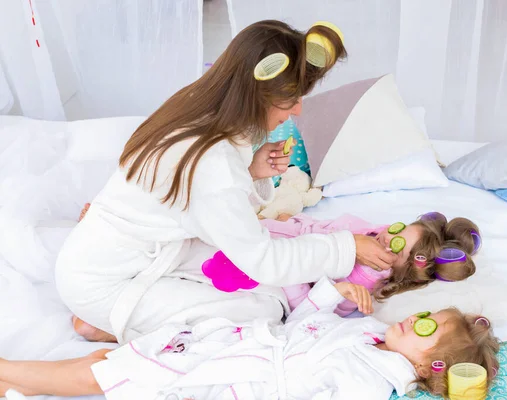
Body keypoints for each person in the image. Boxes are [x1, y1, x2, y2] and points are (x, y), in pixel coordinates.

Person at [55, 20, 397, 346]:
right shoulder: (214, 162)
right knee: (266, 309)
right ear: (256, 93)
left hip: (131, 252)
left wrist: (250, 171)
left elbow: (201, 202)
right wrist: (347, 247)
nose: (297, 110)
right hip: (102, 282)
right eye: (290, 99)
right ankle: (106, 324)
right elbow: (263, 259)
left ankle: (124, 315)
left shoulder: (198, 107)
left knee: (254, 283)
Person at [0, 278, 500, 399]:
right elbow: (298, 325)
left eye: (428, 330)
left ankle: (7, 374)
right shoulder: (368, 334)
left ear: (424, 367)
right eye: (425, 314)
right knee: (122, 361)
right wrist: (329, 295)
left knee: (117, 373)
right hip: (234, 344)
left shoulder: (371, 380)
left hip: (242, 380)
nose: (415, 321)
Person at [230, 211, 480, 315]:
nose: (388, 237)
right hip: (270, 231)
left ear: (399, 269)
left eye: (396, 245)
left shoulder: (360, 282)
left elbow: (312, 306)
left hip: (275, 264)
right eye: (398, 229)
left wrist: (287, 272)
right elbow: (327, 227)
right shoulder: (375, 234)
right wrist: (296, 220)